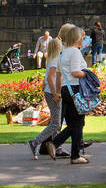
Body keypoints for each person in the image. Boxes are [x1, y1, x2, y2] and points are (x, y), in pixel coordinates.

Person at [50, 25, 90, 164]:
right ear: (77, 38)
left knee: (74, 124)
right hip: (75, 89)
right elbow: (75, 72)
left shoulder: (62, 53)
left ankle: (63, 148)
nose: (82, 41)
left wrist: (58, 92)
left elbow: (59, 75)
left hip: (65, 90)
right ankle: (72, 154)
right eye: (81, 38)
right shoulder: (75, 52)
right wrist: (88, 74)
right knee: (78, 123)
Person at [29, 35, 64, 161]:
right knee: (55, 123)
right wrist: (55, 93)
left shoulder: (52, 60)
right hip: (52, 93)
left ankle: (56, 146)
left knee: (56, 122)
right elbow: (50, 78)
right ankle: (35, 142)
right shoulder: (55, 61)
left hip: (51, 92)